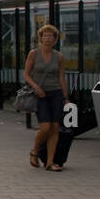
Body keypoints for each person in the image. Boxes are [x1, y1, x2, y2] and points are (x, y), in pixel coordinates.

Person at [24, 24, 70, 171]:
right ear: (41, 38)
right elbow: (26, 74)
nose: (48, 39)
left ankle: (50, 162)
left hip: (56, 93)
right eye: (45, 36)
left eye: (51, 36)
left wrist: (66, 97)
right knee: (45, 127)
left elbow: (62, 77)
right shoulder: (33, 54)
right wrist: (36, 87)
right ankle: (34, 151)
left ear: (55, 39)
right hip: (40, 94)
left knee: (55, 127)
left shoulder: (59, 56)